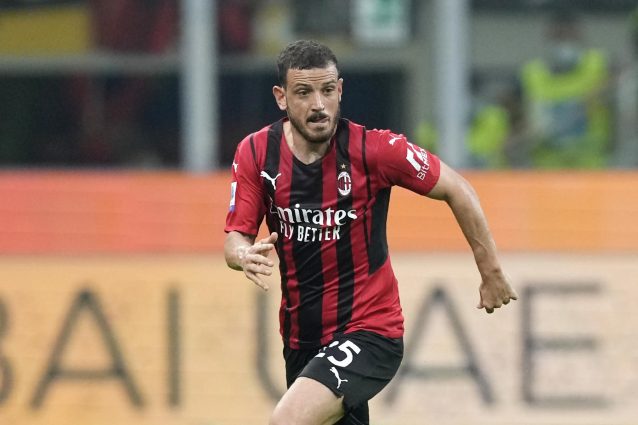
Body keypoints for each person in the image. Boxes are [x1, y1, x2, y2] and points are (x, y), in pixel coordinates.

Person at [224, 40, 517, 425]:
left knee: (287, 420)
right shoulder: (256, 153)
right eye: (304, 92)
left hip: (370, 330)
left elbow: (457, 188)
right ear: (281, 97)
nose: (318, 105)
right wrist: (241, 255)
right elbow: (235, 236)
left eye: (327, 90)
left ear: (340, 90)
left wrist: (490, 271)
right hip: (301, 339)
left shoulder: (375, 150)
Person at [520, 10, 611, 168]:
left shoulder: (599, 65)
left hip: (592, 166)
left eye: (570, 37)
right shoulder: (532, 73)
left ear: (580, 36)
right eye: (559, 37)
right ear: (548, 38)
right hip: (547, 167)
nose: (564, 43)